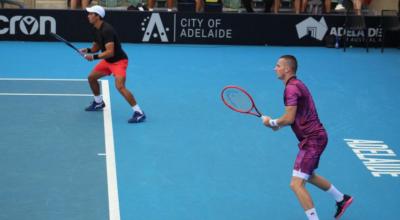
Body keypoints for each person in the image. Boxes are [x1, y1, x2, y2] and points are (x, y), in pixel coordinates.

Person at [261, 55, 353, 220]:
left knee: (296, 184)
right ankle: (341, 198)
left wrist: (271, 122)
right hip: (316, 137)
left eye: (278, 65)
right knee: (308, 175)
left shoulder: (291, 89)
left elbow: (288, 118)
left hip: (312, 140)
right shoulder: (296, 85)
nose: (275, 68)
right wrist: (277, 125)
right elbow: (294, 117)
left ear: (287, 69)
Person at [81, 5, 146, 123]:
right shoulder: (95, 28)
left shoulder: (107, 30)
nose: (88, 16)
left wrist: (93, 57)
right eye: (89, 13)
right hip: (107, 61)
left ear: (97, 16)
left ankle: (139, 113)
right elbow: (96, 47)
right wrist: (88, 50)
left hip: (119, 61)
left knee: (120, 86)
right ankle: (98, 102)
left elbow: (110, 52)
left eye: (91, 14)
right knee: (91, 78)